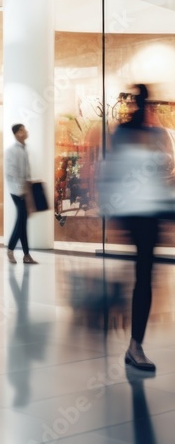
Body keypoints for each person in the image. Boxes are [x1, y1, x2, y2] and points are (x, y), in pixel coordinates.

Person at [99, 84, 169, 371]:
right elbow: (111, 173)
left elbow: (163, 172)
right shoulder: (123, 134)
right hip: (134, 213)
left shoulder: (155, 134)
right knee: (141, 277)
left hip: (151, 212)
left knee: (145, 277)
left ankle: (135, 343)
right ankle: (134, 343)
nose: (139, 106)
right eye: (136, 101)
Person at [6, 124, 37, 265]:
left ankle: (26, 255)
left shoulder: (24, 149)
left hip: (24, 190)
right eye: (23, 130)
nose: (26, 131)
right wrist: (22, 189)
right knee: (21, 221)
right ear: (18, 133)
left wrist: (29, 187)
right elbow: (11, 172)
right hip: (17, 191)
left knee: (23, 221)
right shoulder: (12, 151)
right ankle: (11, 249)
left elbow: (26, 172)